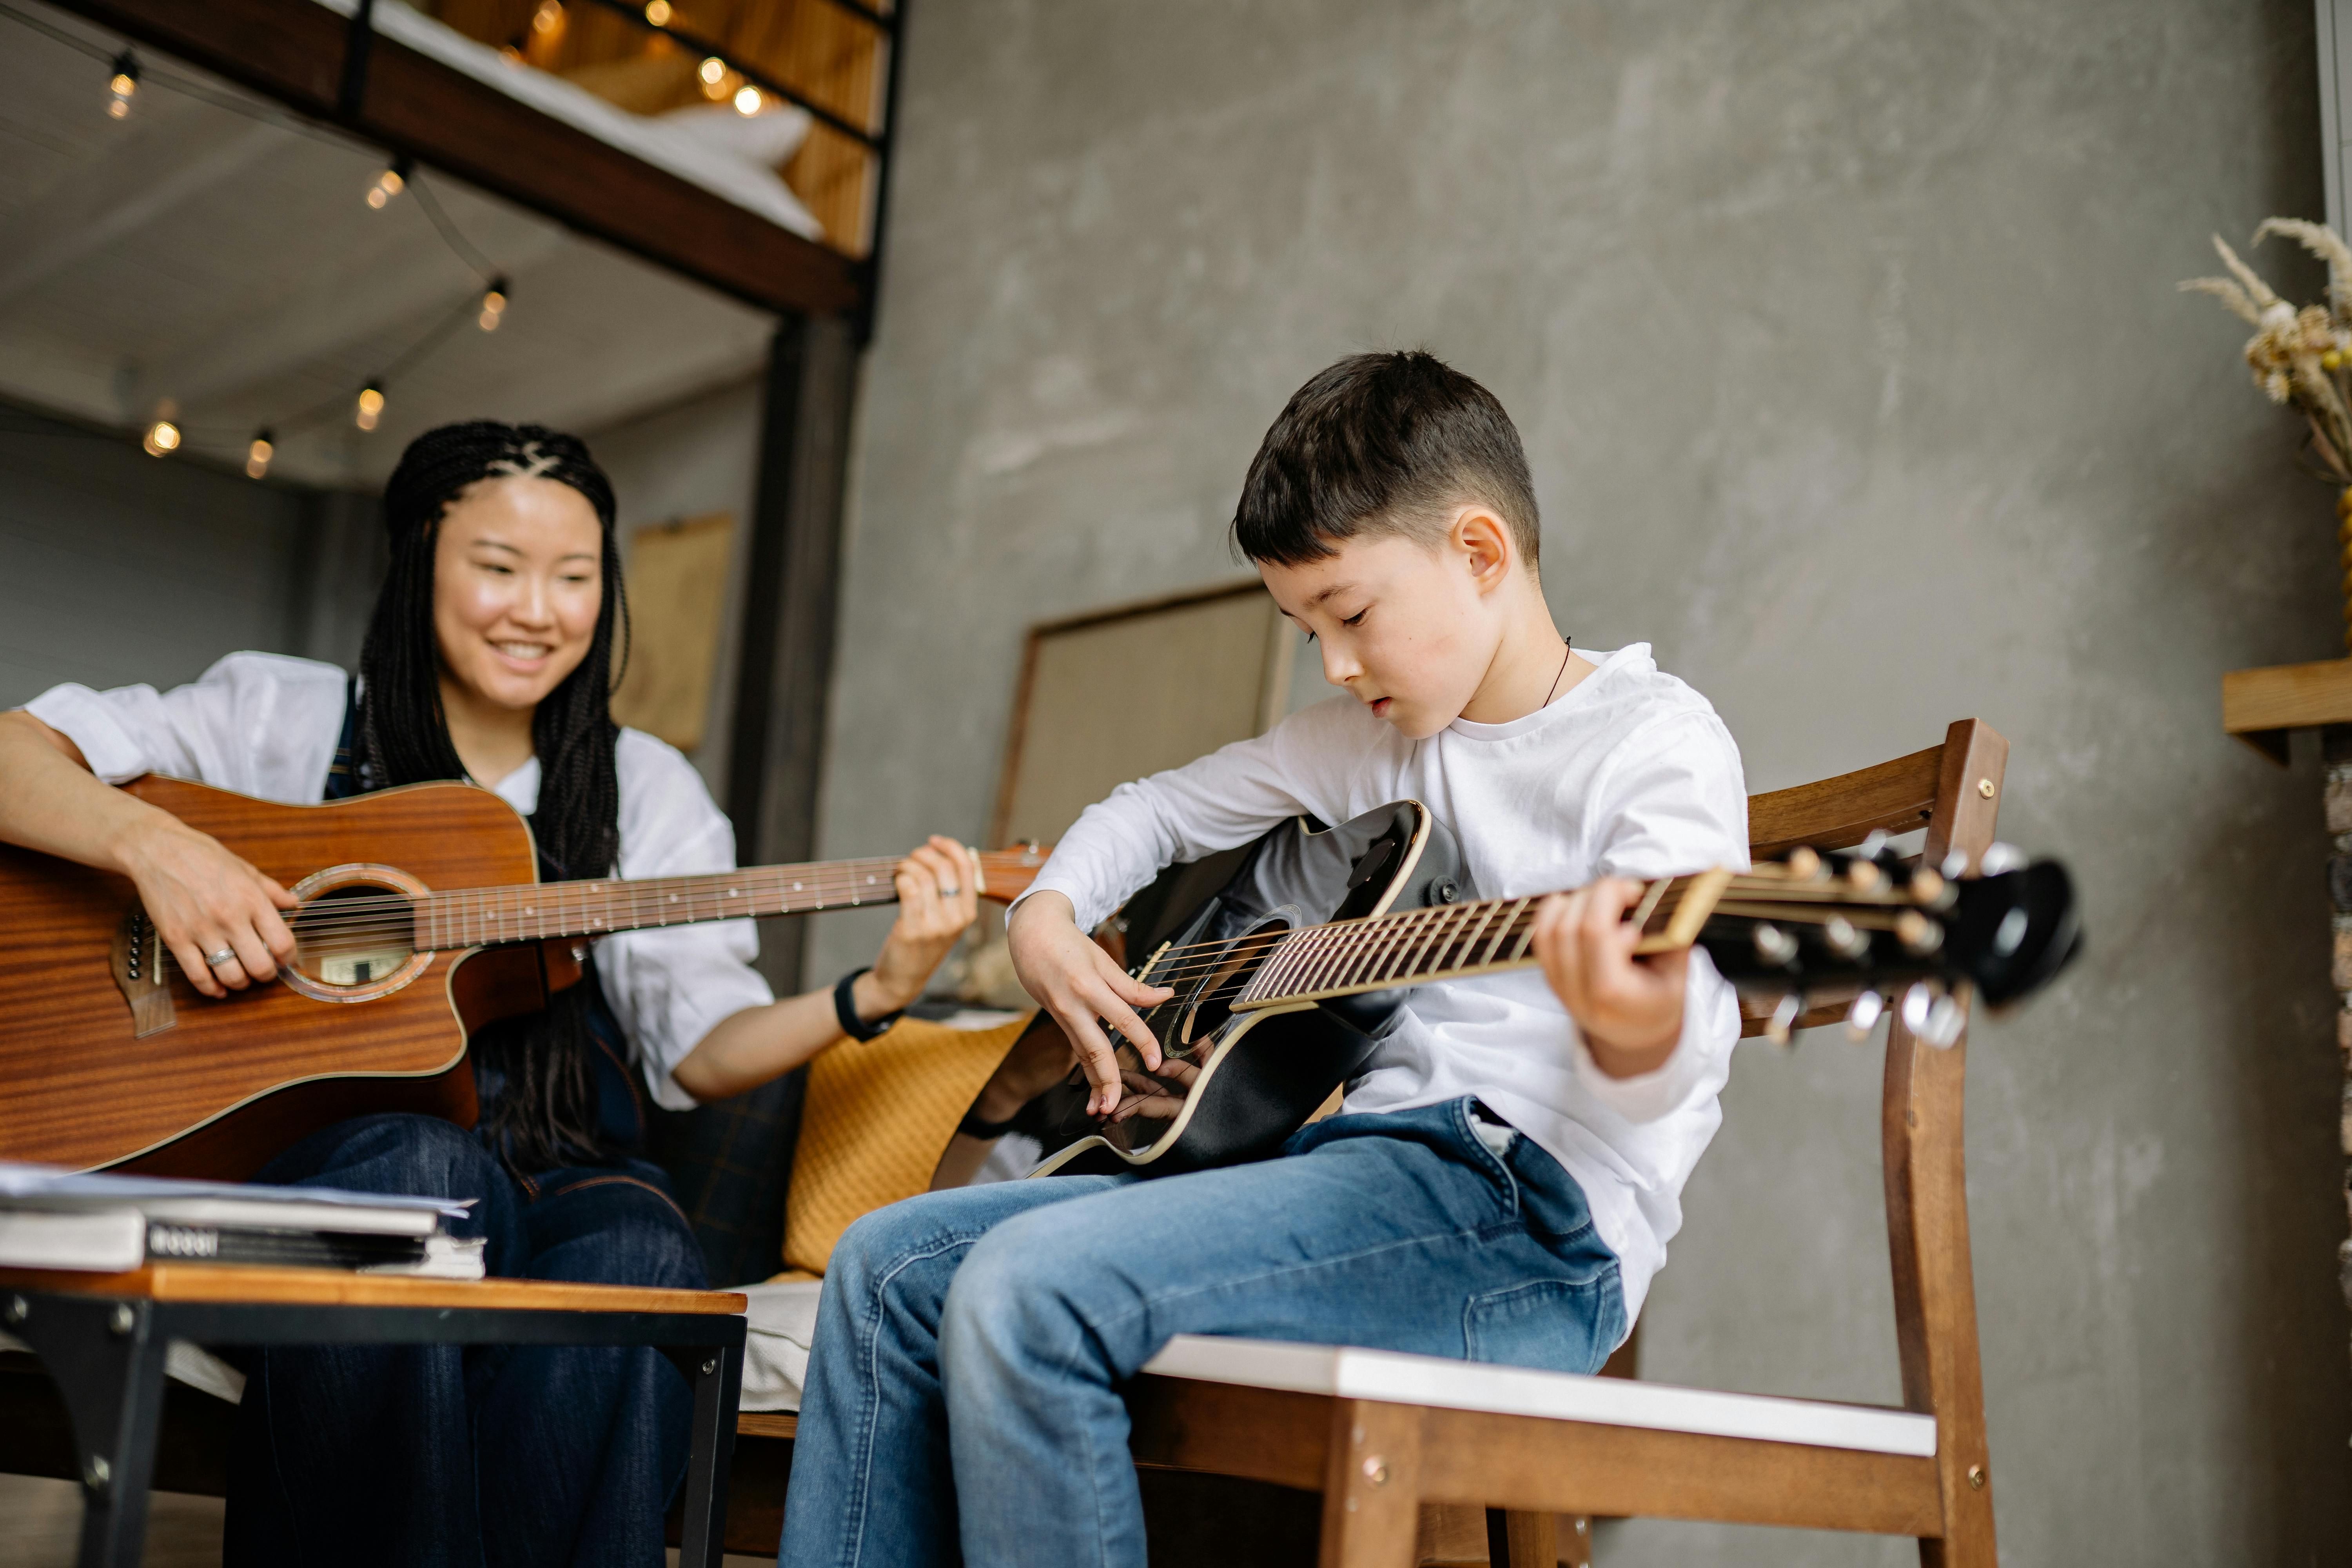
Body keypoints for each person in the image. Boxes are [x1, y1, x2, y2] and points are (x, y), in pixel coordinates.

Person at [777, 352, 1751, 1568]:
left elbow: (1680, 1051)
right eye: (1305, 630)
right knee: (885, 1264)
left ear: (1482, 553)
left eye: (1350, 616)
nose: (1334, 666)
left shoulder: (1653, 744)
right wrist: (1046, 918)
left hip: (1531, 1228)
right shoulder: (1376, 742)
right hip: (1355, 1173)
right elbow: (1155, 809)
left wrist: (1630, 1018)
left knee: (1027, 1290)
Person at [0, 421, 984, 1568]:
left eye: (574, 579)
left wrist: (879, 988)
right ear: (419, 560)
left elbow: (702, 1051)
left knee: (644, 1248)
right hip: (319, 1169)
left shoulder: (643, 785)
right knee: (418, 1176)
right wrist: (154, 851)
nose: (539, 610)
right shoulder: (281, 713)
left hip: (560, 1163)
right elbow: (18, 751)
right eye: (499, 567)